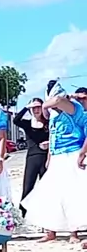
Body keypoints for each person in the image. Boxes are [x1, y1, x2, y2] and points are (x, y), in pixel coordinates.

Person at [22, 81, 87, 243]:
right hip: (57, 156)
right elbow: (53, 136)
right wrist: (49, 157)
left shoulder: (73, 108)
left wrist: (46, 105)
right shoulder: (53, 114)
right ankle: (50, 231)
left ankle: (74, 232)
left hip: (72, 153)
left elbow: (57, 100)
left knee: (72, 194)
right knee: (51, 194)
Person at [13, 98, 49, 216]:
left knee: (46, 187)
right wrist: (26, 107)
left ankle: (46, 212)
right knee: (28, 186)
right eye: (33, 108)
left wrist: (49, 144)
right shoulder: (27, 124)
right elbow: (15, 120)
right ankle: (23, 212)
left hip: (46, 158)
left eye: (38, 107)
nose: (36, 110)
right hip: (32, 158)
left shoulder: (49, 123)